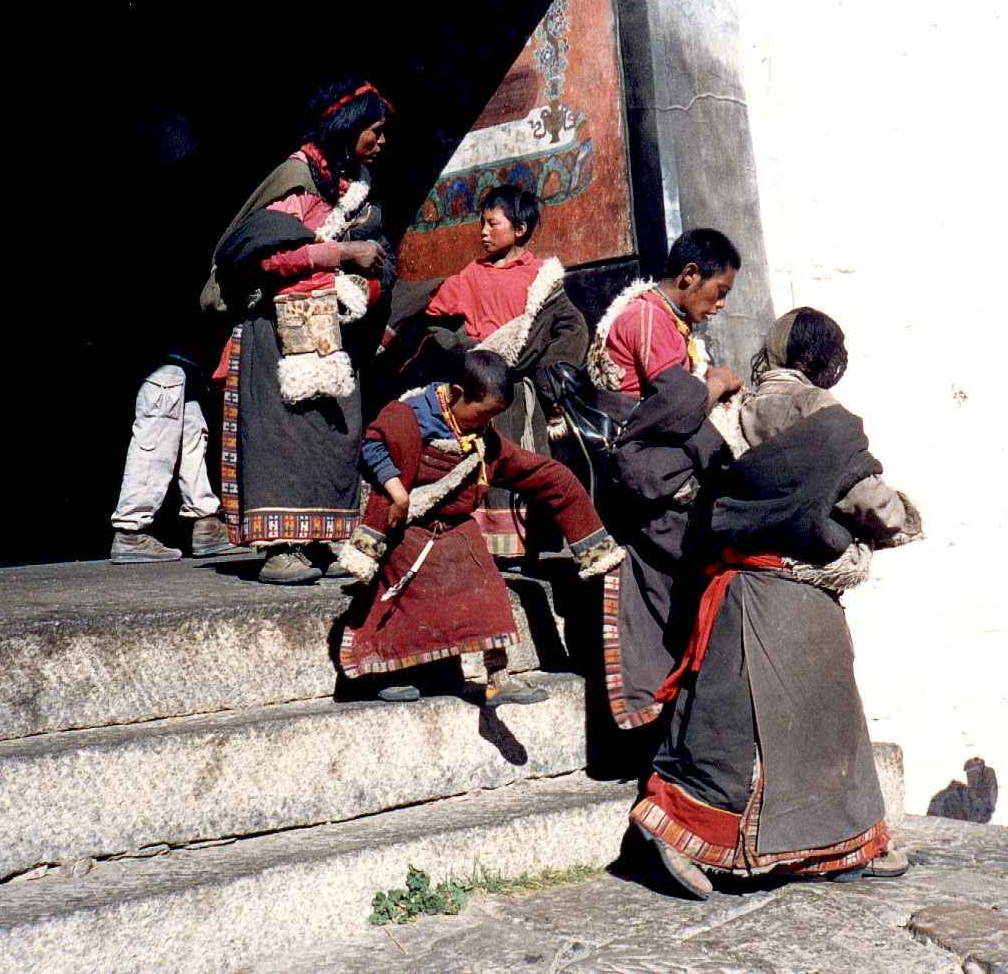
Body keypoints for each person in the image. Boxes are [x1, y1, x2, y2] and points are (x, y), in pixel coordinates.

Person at [629, 307, 920, 899]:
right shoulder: (825, 416)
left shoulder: (733, 411)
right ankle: (835, 846)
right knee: (824, 730)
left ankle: (693, 833)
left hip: (737, 593)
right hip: (799, 600)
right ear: (822, 359)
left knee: (721, 730)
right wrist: (902, 520)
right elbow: (868, 500)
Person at [338, 351, 624, 703]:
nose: (487, 423)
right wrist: (398, 495)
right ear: (456, 394)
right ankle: (385, 672)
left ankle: (498, 678)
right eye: (484, 413)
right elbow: (373, 446)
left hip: (456, 531)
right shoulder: (405, 418)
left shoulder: (482, 439)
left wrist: (593, 548)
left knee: (489, 593)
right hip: (408, 531)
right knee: (399, 604)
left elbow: (542, 475)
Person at [201, 76, 396, 584]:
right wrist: (344, 253)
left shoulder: (350, 187)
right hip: (275, 338)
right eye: (373, 131)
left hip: (326, 335)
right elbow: (268, 257)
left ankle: (321, 537)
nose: (381, 142)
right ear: (347, 127)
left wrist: (368, 283)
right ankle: (278, 550)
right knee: (282, 439)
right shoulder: (297, 178)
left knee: (331, 432)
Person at [584, 229, 742, 729]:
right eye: (718, 292)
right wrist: (715, 383)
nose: (719, 306)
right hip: (642, 474)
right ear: (689, 275)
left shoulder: (666, 320)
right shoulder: (649, 319)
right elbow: (675, 407)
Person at [390, 184, 589, 557]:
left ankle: (529, 543)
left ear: (519, 230)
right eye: (481, 223)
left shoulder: (542, 278)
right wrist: (460, 346)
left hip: (521, 393)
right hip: (481, 389)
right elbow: (434, 307)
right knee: (480, 462)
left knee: (525, 461)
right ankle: (488, 544)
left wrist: (552, 372)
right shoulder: (472, 275)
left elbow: (572, 327)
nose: (482, 232)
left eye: (491, 224)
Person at [107, 345, 252, 563]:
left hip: (184, 363)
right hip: (164, 359)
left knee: (193, 433)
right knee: (156, 438)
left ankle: (207, 522)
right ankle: (130, 531)